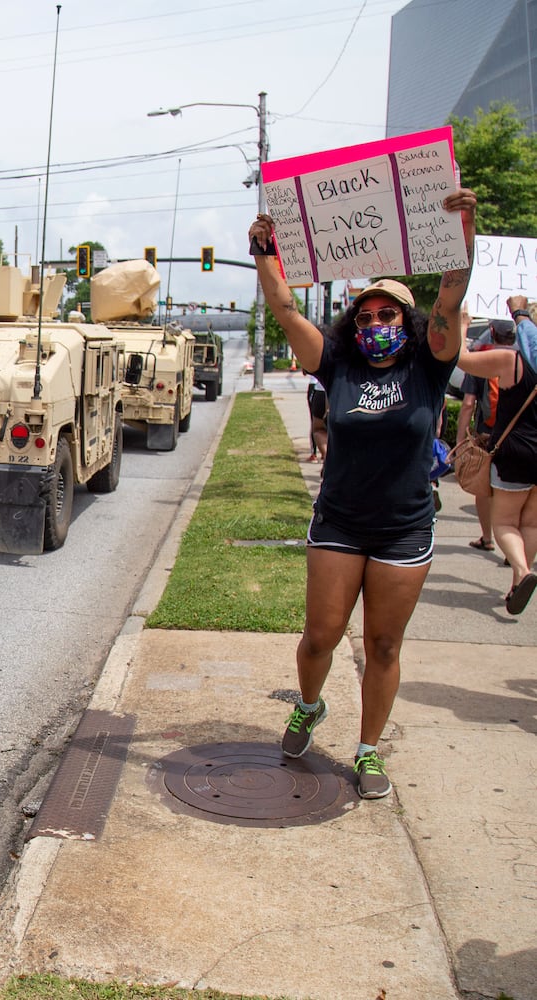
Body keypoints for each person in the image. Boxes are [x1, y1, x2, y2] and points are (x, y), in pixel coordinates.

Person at [247, 187, 476, 800]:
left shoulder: (428, 366)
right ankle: (308, 705)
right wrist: (266, 253)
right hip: (340, 523)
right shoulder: (338, 366)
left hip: (405, 528)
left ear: (409, 322)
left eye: (390, 315)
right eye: (368, 316)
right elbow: (287, 312)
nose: (377, 324)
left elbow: (451, 294)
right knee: (320, 636)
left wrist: (463, 230)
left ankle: (369, 751)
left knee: (383, 644)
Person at [456, 338, 537, 614]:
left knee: (503, 523)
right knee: (532, 525)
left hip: (515, 451)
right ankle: (517, 584)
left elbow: (460, 358)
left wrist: (463, 325)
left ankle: (522, 571)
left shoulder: (512, 361)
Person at [456, 318, 517, 551]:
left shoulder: (481, 359)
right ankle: (515, 546)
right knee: (513, 490)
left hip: (487, 434)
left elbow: (469, 403)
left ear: (491, 332)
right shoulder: (526, 360)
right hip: (518, 435)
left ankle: (487, 537)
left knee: (484, 488)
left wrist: (461, 438)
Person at [306, 374, 328, 461]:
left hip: (320, 389)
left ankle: (324, 456)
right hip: (342, 391)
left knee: (318, 429)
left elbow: (305, 370)